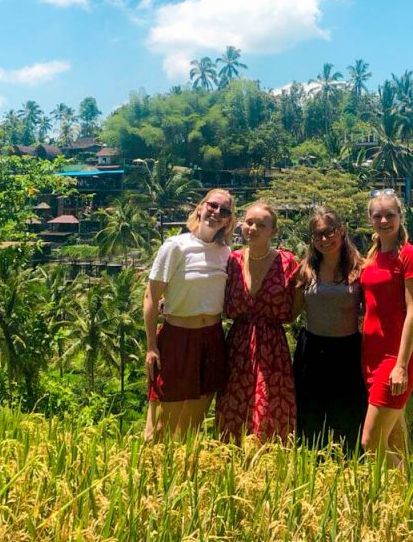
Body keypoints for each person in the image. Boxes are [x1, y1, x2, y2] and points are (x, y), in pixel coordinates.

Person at [144, 189, 236, 442]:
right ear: (200, 208)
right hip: (177, 337)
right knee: (160, 425)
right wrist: (151, 346)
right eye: (213, 206)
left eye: (225, 211)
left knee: (191, 425)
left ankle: (184, 474)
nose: (217, 213)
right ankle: (149, 474)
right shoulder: (176, 246)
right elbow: (151, 297)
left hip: (212, 338)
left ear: (229, 221)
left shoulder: (226, 253)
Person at [215, 202, 299, 442]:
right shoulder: (231, 261)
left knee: (271, 410)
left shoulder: (287, 263)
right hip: (238, 348)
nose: (252, 228)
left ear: (273, 231)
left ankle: (269, 471)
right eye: (249, 222)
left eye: (261, 225)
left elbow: (299, 300)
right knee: (233, 410)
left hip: (272, 349)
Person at [291, 206, 368, 453]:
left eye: (329, 232)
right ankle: (313, 473)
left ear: (341, 231)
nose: (324, 239)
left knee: (349, 417)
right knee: (311, 418)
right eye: (317, 235)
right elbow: (290, 313)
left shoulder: (360, 269)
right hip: (311, 350)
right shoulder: (305, 270)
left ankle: (350, 473)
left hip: (348, 351)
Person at [358, 190, 413, 468]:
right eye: (378, 215)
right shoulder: (372, 256)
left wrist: (401, 365)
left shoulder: (408, 256)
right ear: (371, 219)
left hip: (394, 359)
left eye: (390, 215)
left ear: (400, 217)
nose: (384, 220)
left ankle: (408, 491)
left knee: (370, 442)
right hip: (370, 356)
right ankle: (397, 502)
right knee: (393, 439)